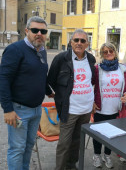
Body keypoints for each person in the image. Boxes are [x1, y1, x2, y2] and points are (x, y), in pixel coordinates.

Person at [0, 16, 53, 170]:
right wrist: (8, 109)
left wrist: (49, 91)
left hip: (37, 109)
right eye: (35, 30)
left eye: (43, 31)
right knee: (17, 149)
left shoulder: (42, 51)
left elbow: (40, 75)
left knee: (29, 145)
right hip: (19, 111)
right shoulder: (15, 50)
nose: (39, 34)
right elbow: (3, 80)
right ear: (27, 30)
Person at [47, 29, 96, 170]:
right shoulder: (61, 58)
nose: (79, 43)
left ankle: (71, 166)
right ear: (71, 42)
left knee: (77, 141)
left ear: (87, 43)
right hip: (69, 109)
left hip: (86, 109)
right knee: (64, 143)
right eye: (76, 40)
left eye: (83, 41)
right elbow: (50, 80)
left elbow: (91, 80)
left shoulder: (91, 59)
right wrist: (56, 95)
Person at [92, 42, 126, 169]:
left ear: (115, 52)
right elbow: (90, 85)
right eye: (105, 52)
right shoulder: (97, 68)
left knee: (111, 134)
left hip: (115, 107)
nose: (108, 53)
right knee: (98, 133)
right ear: (102, 54)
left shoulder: (122, 68)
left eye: (110, 51)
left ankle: (107, 155)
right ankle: (97, 155)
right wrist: (92, 102)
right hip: (100, 107)